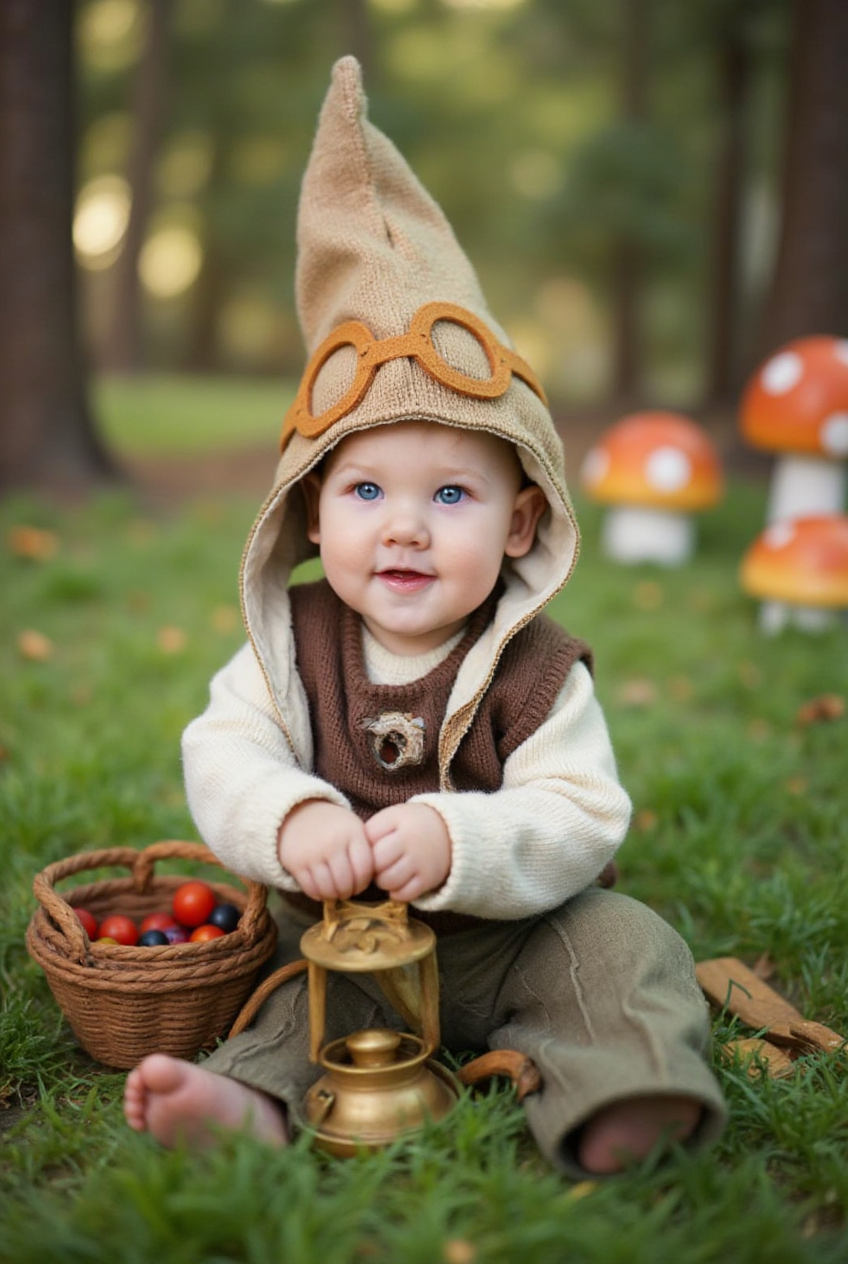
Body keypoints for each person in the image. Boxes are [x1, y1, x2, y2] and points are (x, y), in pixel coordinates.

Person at [124, 56, 726, 1175]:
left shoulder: (536, 669)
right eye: (365, 491)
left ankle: (624, 1090)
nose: (403, 527)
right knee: (284, 1004)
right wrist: (291, 814)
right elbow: (222, 749)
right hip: (344, 948)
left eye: (449, 494)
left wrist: (464, 836)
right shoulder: (289, 648)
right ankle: (246, 1105)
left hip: (513, 939)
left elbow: (583, 810)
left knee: (624, 947)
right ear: (310, 512)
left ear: (516, 523)